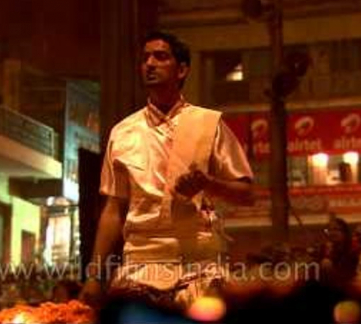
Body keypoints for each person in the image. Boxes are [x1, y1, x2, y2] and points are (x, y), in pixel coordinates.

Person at [79, 31, 254, 311]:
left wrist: (209, 184)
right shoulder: (123, 132)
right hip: (139, 266)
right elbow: (114, 209)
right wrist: (94, 276)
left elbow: (246, 194)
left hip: (198, 268)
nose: (150, 63)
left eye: (160, 56)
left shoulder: (208, 125)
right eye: (145, 58)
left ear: (181, 69)